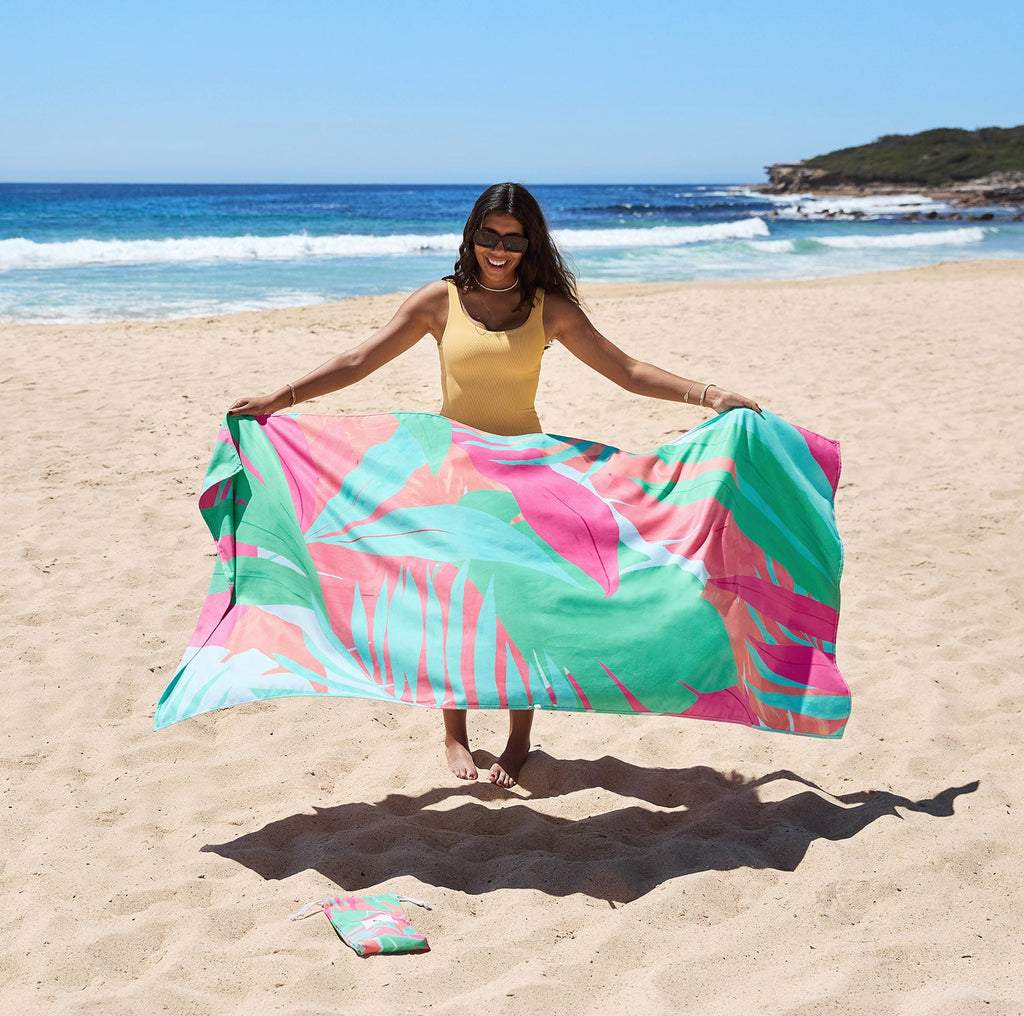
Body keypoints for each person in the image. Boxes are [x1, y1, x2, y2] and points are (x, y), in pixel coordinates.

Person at [228, 182, 761, 788]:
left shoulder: (547, 308)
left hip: (525, 477)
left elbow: (627, 369)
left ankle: (517, 742)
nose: (498, 249)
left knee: (518, 608)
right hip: (453, 473)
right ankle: (454, 735)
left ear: (529, 242)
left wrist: (710, 395)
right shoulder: (439, 301)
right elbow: (360, 359)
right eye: (488, 236)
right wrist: (283, 396)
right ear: (471, 238)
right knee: (454, 605)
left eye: (512, 238)